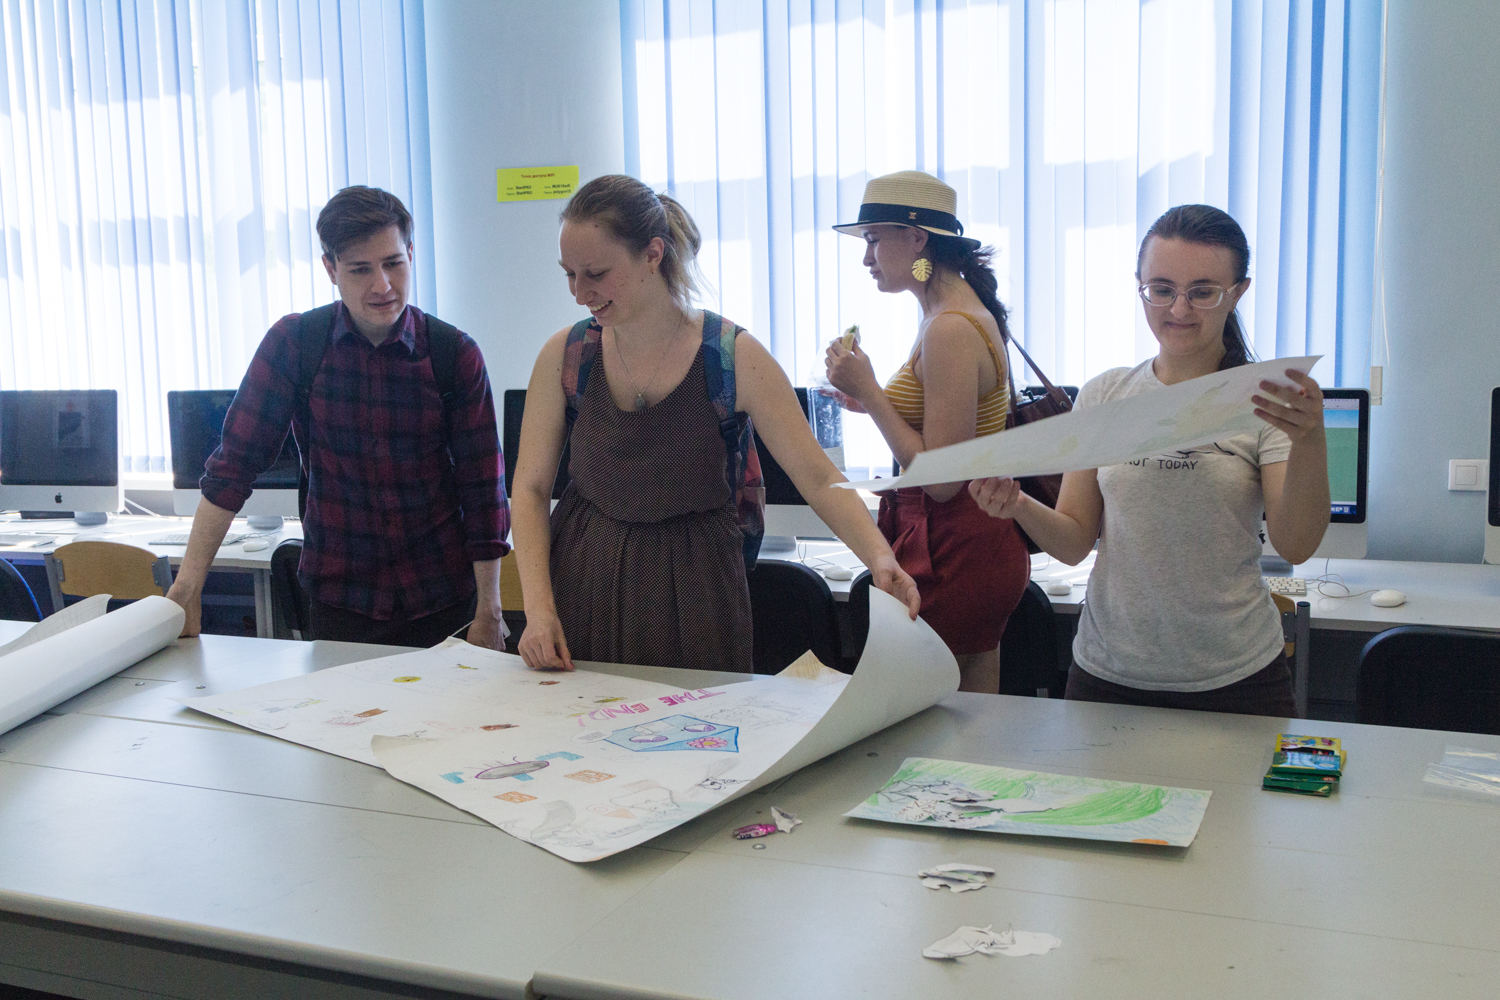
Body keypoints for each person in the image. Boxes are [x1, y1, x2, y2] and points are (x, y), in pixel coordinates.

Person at [512, 174, 920, 673]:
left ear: (653, 254)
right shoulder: (567, 355)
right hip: (583, 583)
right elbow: (530, 488)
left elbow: (817, 477)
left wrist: (879, 558)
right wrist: (539, 611)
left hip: (695, 593)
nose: (580, 293)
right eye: (569, 275)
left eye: (595, 273)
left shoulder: (732, 357)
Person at [969, 204, 1330, 715]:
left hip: (1237, 677)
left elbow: (1297, 543)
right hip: (1107, 675)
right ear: (1140, 287)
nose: (1179, 309)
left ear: (1237, 293)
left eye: (1202, 292)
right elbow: (1074, 542)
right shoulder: (1106, 395)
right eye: (1161, 289)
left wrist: (1310, 440)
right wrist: (1019, 505)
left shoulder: (1262, 398)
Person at [165, 186, 510, 649]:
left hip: (443, 599)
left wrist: (490, 610)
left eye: (393, 263)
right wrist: (187, 588)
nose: (382, 286)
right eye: (360, 269)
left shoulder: (453, 354)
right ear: (331, 269)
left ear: (411, 253)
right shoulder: (295, 344)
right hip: (342, 603)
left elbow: (484, 492)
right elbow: (233, 467)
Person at [823, 171, 1030, 693]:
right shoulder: (948, 314)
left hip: (956, 543)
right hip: (964, 539)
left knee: (944, 714)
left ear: (917, 240)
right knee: (967, 710)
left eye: (873, 239)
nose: (866, 258)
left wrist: (872, 392)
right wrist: (869, 399)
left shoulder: (950, 328)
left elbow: (940, 480)